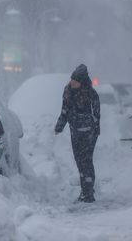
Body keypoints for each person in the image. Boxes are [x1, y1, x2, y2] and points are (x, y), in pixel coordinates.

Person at [54, 64, 100, 203]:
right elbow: (64, 111)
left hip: (89, 133)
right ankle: (85, 190)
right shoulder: (68, 92)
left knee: (86, 161)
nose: (72, 82)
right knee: (80, 161)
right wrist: (59, 127)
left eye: (75, 80)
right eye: (72, 79)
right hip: (75, 132)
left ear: (82, 81)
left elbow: (97, 115)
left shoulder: (91, 94)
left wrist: (95, 131)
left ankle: (88, 192)